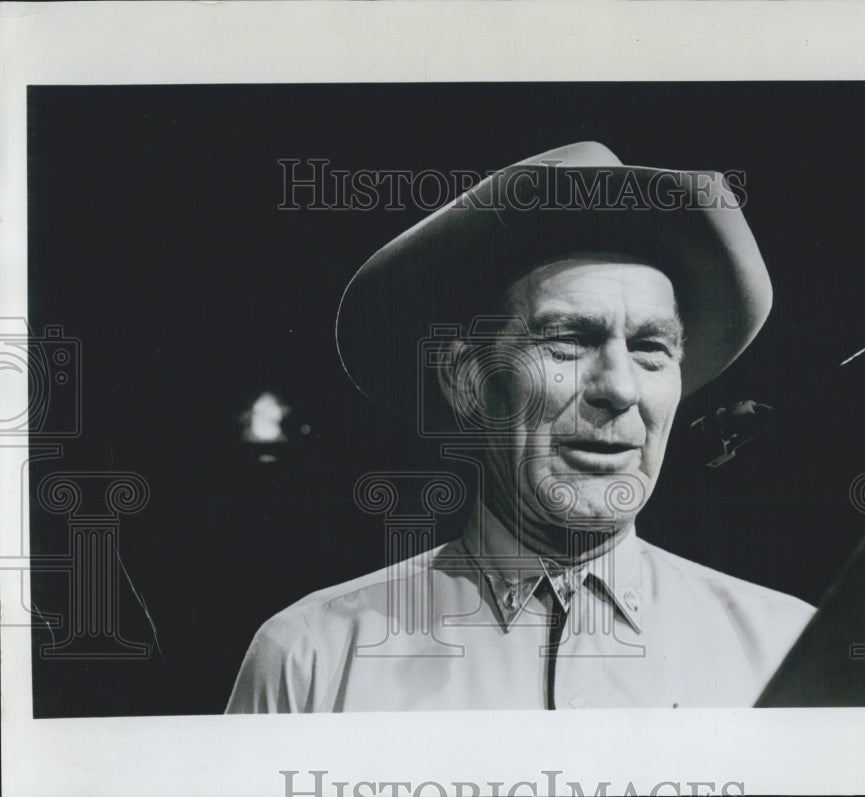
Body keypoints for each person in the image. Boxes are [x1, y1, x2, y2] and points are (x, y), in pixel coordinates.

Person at [226, 142, 815, 712]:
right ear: (468, 381)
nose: (619, 388)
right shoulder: (311, 660)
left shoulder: (789, 653)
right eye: (568, 340)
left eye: (650, 348)